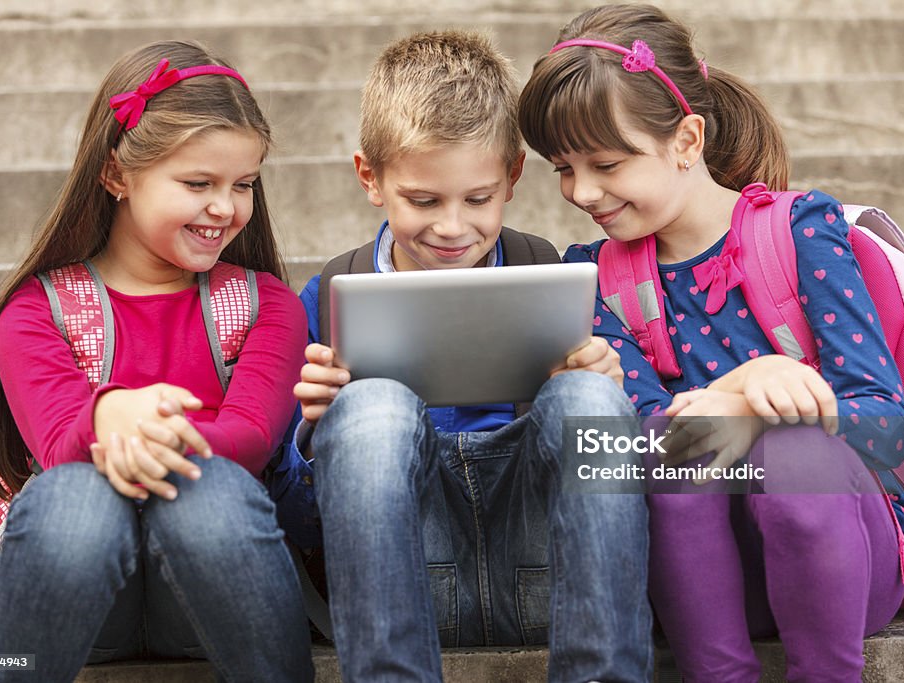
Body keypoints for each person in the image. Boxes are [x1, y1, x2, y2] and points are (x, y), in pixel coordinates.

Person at [518, 5, 904, 681]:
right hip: (706, 586)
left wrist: (767, 403)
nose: (580, 191)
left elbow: (887, 426)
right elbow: (638, 452)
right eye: (562, 167)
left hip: (845, 567)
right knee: (678, 458)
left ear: (686, 139)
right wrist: (737, 388)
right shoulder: (595, 277)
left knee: (793, 449)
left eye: (606, 163)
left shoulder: (799, 231)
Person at [269, 30, 653, 682]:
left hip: (543, 574)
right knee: (370, 410)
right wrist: (315, 434)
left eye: (478, 199)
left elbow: (634, 474)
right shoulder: (328, 296)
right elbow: (296, 516)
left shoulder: (552, 274)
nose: (452, 227)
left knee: (589, 399)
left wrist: (607, 388)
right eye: (423, 200)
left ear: (511, 176)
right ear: (370, 178)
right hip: (411, 576)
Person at [0, 40, 314, 682]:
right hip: (76, 591)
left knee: (207, 491)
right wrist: (110, 413)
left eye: (243, 184)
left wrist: (141, 428)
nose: (226, 207)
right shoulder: (34, 309)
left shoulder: (267, 304)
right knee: (72, 498)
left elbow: (250, 438)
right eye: (197, 183)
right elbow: (57, 445)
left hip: (218, 581)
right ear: (116, 175)